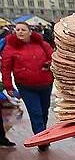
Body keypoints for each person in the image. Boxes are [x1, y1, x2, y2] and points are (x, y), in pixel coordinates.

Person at [1, 22, 54, 150]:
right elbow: (5, 68)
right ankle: (41, 140)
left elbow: (54, 58)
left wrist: (49, 63)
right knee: (35, 112)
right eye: (17, 29)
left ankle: (43, 133)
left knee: (44, 112)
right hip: (26, 87)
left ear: (30, 32)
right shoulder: (10, 48)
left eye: (23, 29)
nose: (20, 32)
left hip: (45, 83)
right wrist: (8, 86)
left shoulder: (42, 44)